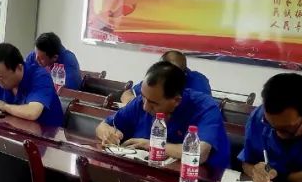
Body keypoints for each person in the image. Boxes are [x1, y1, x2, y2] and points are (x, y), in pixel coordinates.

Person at [99, 61, 230, 173]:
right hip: (149, 174)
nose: (145, 107)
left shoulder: (205, 108)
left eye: (153, 103)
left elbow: (199, 154)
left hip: (203, 181)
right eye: (143, 97)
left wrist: (150, 145)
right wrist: (108, 135)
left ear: (176, 101)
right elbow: (103, 125)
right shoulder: (143, 101)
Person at [0, 42, 64, 127]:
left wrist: (5, 107)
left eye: (1, 77)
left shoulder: (40, 77)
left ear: (19, 67)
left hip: (46, 135)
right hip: (12, 131)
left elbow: (32, 112)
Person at [122, 49, 212, 105]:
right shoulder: (158, 77)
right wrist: (133, 104)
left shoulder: (198, 82)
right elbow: (128, 94)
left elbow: (202, 109)